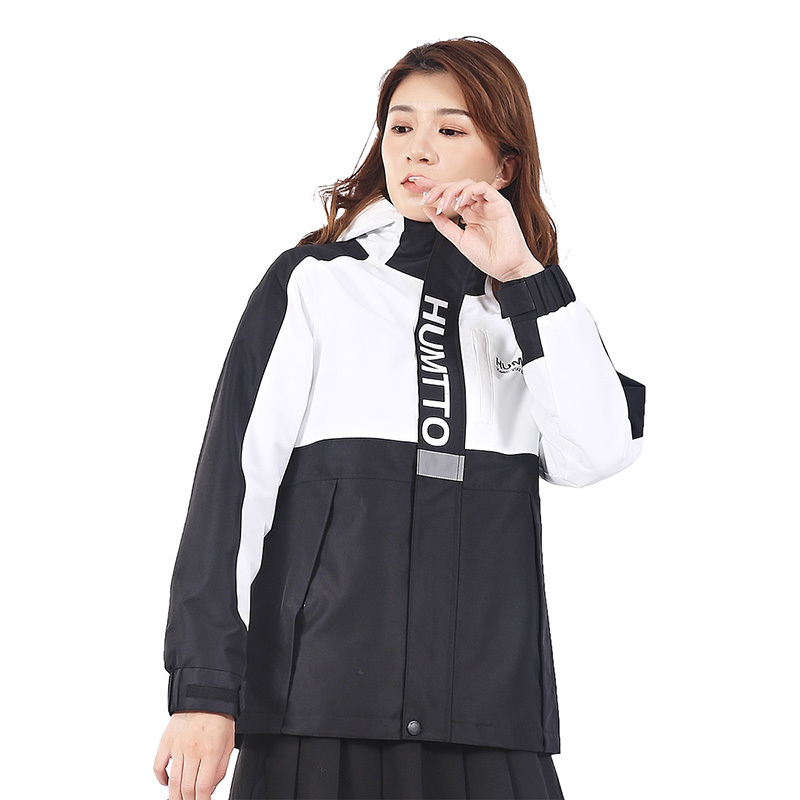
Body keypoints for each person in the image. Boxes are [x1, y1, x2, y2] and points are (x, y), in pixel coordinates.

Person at [154, 36, 645, 800]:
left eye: (450, 129)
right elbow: (230, 494)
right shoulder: (315, 286)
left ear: (504, 165)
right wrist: (204, 689)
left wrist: (523, 276)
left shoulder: (531, 313)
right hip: (317, 721)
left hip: (491, 728)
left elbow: (599, 451)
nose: (418, 149)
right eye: (400, 126)